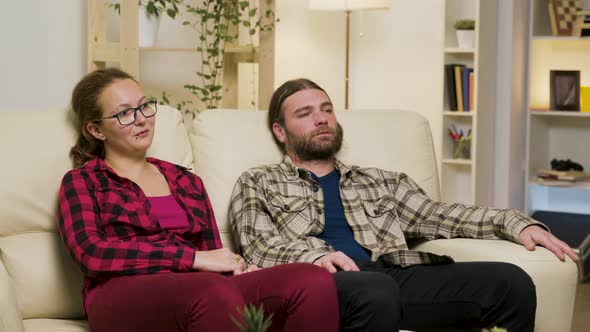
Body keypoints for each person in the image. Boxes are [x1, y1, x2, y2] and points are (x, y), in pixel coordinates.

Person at [228, 78, 580, 332]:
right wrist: (315, 256)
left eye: (327, 110)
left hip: (395, 274)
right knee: (374, 290)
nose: (321, 119)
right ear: (279, 131)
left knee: (511, 281)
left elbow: (441, 215)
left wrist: (517, 223)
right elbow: (259, 246)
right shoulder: (258, 181)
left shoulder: (380, 180)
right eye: (305, 113)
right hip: (323, 282)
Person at [57, 69, 340, 332]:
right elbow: (92, 253)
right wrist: (190, 258)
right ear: (96, 130)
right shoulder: (84, 181)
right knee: (210, 289)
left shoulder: (185, 180)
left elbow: (212, 254)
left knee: (310, 280)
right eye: (125, 114)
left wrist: (235, 268)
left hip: (200, 287)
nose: (142, 118)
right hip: (118, 293)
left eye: (144, 106)